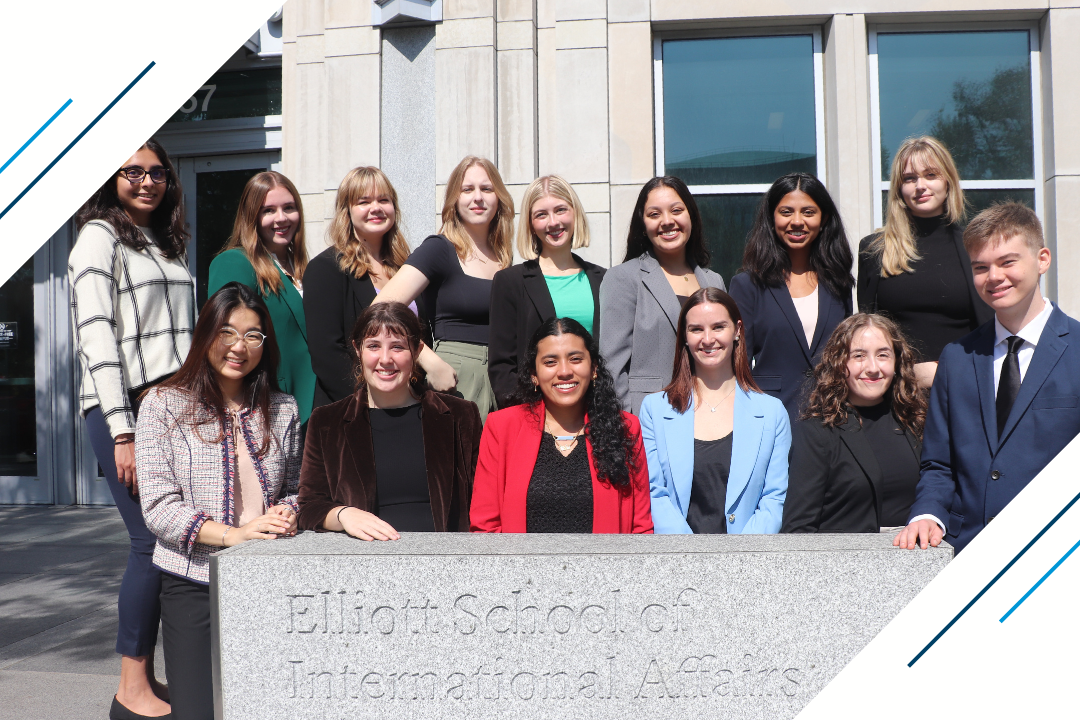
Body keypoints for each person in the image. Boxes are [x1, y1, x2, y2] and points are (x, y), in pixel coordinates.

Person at [68, 138, 192, 720]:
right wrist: (123, 432)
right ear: (110, 176)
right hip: (126, 409)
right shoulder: (98, 236)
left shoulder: (164, 243)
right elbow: (96, 337)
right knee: (149, 542)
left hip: (174, 408)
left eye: (157, 172)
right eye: (132, 171)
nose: (146, 181)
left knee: (170, 542)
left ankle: (146, 675)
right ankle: (130, 686)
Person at [137, 282, 300, 720]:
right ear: (206, 334)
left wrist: (288, 509)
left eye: (252, 335)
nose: (239, 346)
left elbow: (299, 488)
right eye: (227, 332)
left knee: (266, 706)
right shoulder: (163, 405)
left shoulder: (282, 409)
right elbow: (157, 506)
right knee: (197, 711)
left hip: (266, 578)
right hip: (192, 580)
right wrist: (232, 535)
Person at [896, 202, 1080, 554]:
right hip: (969, 553)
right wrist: (927, 514)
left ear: (1042, 259)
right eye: (981, 267)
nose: (993, 277)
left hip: (1059, 555)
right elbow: (938, 462)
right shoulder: (957, 357)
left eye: (1007, 262)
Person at [296, 302, 483, 538]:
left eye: (397, 347)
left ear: (416, 351)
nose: (385, 359)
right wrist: (344, 514)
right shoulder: (326, 422)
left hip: (446, 561)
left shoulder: (460, 415)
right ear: (357, 349)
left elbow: (484, 500)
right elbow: (308, 508)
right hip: (364, 563)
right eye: (373, 346)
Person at [471, 318, 654, 533]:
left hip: (603, 565)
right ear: (534, 375)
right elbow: (485, 526)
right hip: (521, 566)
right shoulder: (501, 428)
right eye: (550, 362)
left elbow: (640, 528)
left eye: (575, 359)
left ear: (594, 368)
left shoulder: (625, 428)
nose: (564, 371)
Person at [372, 156, 515, 421]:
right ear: (454, 200)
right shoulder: (439, 249)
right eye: (467, 189)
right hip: (457, 377)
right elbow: (380, 309)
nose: (478, 198)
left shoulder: (505, 259)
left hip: (502, 378)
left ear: (499, 198)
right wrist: (427, 359)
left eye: (486, 189)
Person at [640, 288, 789, 534]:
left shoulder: (772, 414)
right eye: (696, 329)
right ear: (685, 337)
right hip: (677, 559)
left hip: (747, 561)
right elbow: (654, 492)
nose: (708, 339)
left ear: (737, 331)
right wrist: (691, 556)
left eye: (718, 327)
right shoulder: (655, 410)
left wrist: (738, 559)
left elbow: (773, 498)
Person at [303, 166, 447, 410]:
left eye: (384, 200)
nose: (376, 208)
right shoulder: (325, 268)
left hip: (411, 404)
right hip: (353, 409)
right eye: (364, 201)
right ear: (346, 211)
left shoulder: (407, 268)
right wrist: (371, 404)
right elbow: (327, 355)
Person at [858, 136, 992, 389]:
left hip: (965, 388)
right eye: (909, 178)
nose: (921, 185)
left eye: (931, 174)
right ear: (899, 188)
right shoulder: (874, 249)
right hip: (896, 395)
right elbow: (867, 334)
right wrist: (906, 375)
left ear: (948, 181)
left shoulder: (976, 247)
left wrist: (948, 371)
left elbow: (992, 329)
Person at [728, 172, 854, 425]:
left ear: (824, 218)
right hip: (770, 418)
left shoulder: (838, 282)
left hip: (831, 418)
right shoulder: (748, 285)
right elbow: (736, 365)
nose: (797, 221)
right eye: (786, 212)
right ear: (772, 217)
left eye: (808, 212)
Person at [782, 314, 926, 533]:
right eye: (859, 356)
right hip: (847, 561)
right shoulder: (817, 431)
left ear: (897, 362)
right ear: (840, 363)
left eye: (883, 355)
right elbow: (798, 528)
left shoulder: (915, 419)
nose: (873, 367)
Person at [600, 176, 726, 414]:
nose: (667, 221)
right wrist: (628, 427)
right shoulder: (624, 278)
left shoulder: (714, 281)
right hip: (649, 420)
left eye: (676, 210)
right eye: (654, 214)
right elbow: (611, 368)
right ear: (643, 224)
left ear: (691, 216)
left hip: (710, 415)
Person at [208, 171, 317, 425]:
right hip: (268, 407)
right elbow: (225, 341)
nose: (281, 218)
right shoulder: (235, 261)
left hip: (315, 405)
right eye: (268, 210)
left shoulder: (303, 269)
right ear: (252, 217)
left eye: (289, 208)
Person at [488, 175, 605, 408]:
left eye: (561, 210)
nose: (553, 222)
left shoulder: (605, 280)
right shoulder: (510, 282)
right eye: (541, 214)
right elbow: (502, 367)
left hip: (595, 414)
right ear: (531, 224)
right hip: (534, 416)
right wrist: (530, 418)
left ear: (575, 213)